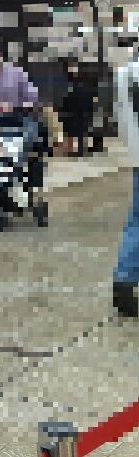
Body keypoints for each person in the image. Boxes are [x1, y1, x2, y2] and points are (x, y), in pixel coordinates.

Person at [113, 51, 139, 318]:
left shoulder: (124, 73)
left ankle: (124, 277)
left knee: (137, 220)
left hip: (138, 155)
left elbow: (119, 118)